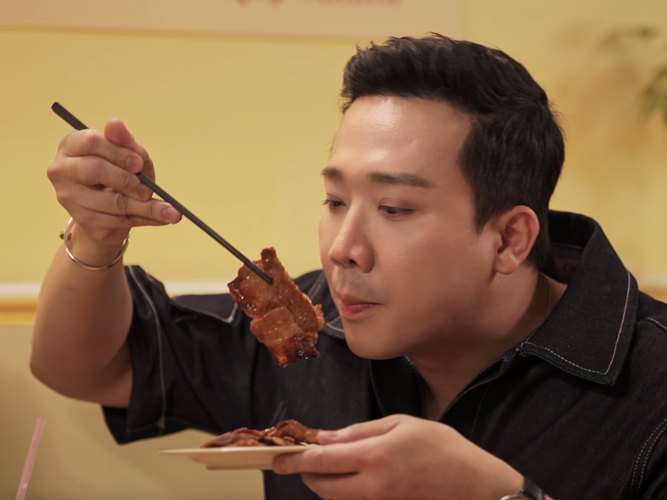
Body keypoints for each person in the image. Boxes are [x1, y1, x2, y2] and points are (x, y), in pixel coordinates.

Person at [31, 34, 667, 500]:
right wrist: (97, 232)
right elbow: (88, 366)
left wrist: (496, 495)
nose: (342, 248)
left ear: (509, 240)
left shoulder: (651, 383)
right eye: (336, 201)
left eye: (393, 208)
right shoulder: (312, 328)